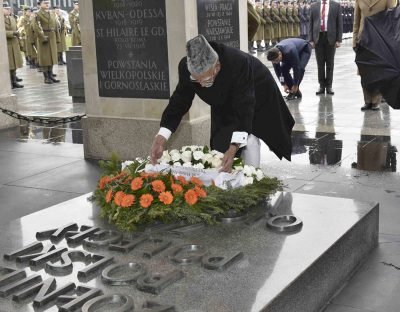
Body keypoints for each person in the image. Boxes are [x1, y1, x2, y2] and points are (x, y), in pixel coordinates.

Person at [150, 35, 295, 172]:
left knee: (250, 136)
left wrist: (233, 147)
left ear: (217, 67)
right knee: (220, 143)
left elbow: (245, 109)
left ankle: (252, 174)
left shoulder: (238, 63)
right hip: (225, 97)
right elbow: (179, 100)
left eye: (205, 80)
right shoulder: (186, 67)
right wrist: (161, 137)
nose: (201, 85)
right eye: (196, 80)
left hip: (257, 90)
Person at [353, 0, 396, 111]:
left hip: (380, 39)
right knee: (363, 70)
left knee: (379, 70)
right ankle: (367, 101)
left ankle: (376, 101)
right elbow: (356, 21)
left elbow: (392, 17)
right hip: (363, 39)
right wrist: (354, 40)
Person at [309, 0, 343, 96]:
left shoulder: (336, 5)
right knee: (320, 63)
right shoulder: (314, 6)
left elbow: (339, 23)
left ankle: (329, 86)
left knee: (330, 63)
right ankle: (321, 86)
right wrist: (311, 39)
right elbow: (310, 23)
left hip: (330, 37)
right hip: (318, 37)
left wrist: (338, 39)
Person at [33, 0, 60, 84]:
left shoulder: (51, 13)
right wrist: (42, 37)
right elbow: (36, 27)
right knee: (45, 58)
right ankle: (46, 77)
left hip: (52, 36)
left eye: (48, 3)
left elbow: (55, 26)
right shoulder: (37, 14)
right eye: (45, 3)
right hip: (44, 37)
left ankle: (51, 75)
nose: (47, 4)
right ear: (40, 4)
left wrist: (57, 37)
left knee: (51, 57)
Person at [3, 1, 24, 89]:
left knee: (15, 63)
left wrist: (19, 39)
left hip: (14, 43)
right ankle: (10, 82)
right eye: (6, 9)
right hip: (6, 45)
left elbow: (16, 29)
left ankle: (14, 81)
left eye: (9, 9)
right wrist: (12, 33)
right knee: (9, 64)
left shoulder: (12, 18)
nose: (8, 10)